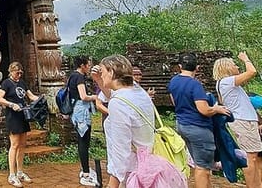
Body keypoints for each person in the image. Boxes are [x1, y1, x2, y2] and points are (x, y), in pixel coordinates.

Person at [168, 53, 230, 188]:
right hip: (198, 128)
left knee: (200, 163)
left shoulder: (174, 81)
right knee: (202, 168)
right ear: (197, 67)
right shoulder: (195, 85)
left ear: (180, 66)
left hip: (182, 125)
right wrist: (217, 109)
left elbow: (174, 102)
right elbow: (204, 110)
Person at [97, 55, 155, 187]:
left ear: (111, 72)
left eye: (103, 72)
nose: (101, 76)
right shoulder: (140, 93)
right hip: (149, 163)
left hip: (131, 171)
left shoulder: (117, 103)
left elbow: (121, 150)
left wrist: (113, 183)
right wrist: (99, 81)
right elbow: (117, 91)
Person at [213, 51, 262, 188]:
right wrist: (245, 59)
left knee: (253, 156)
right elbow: (252, 72)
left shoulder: (226, 84)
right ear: (227, 67)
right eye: (235, 64)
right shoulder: (226, 82)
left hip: (245, 121)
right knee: (249, 158)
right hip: (243, 122)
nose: (238, 67)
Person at [0, 61, 40, 187]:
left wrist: (41, 99)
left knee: (22, 144)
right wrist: (11, 104)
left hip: (22, 115)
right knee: (14, 145)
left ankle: (20, 171)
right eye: (17, 72)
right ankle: (12, 174)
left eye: (21, 72)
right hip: (12, 116)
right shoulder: (6, 83)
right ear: (11, 72)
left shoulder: (22, 83)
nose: (19, 75)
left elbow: (30, 96)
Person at [68, 56, 98, 186]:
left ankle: (84, 168)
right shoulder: (79, 77)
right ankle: (86, 173)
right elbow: (83, 96)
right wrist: (95, 97)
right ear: (82, 65)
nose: (89, 67)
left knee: (83, 140)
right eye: (88, 65)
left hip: (76, 111)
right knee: (84, 141)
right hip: (81, 112)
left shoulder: (72, 76)